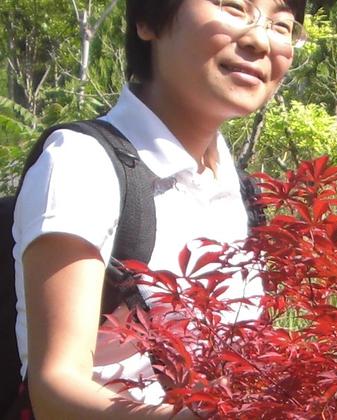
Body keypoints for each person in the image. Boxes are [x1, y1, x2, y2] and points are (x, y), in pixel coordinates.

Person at [12, 0, 307, 418]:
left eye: (282, 25)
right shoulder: (82, 162)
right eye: (233, 7)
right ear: (148, 20)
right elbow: (54, 387)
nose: (260, 40)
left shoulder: (240, 190)